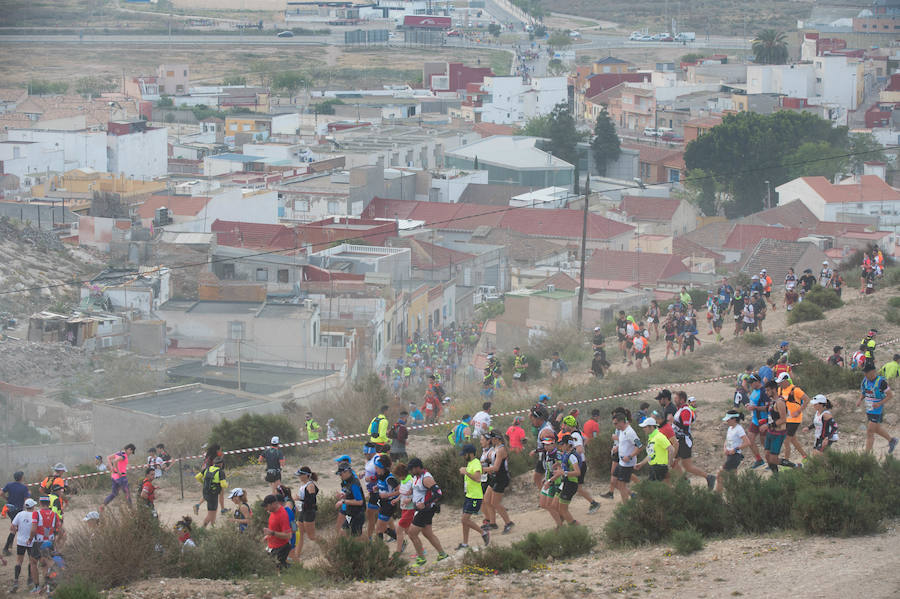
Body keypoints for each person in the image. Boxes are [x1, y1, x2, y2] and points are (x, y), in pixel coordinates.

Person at [671, 391, 717, 489]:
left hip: (684, 440)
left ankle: (708, 477)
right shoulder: (680, 409)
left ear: (682, 400)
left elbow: (685, 427)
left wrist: (673, 421)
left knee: (687, 466)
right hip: (679, 440)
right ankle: (684, 481)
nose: (674, 400)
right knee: (674, 463)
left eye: (676, 398)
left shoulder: (686, 411)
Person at [407, 458, 448, 566]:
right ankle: (442, 554)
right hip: (422, 509)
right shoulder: (416, 477)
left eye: (411, 469)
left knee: (412, 533)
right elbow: (419, 493)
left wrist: (425, 504)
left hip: (425, 510)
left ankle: (421, 559)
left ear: (417, 468)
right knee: (427, 533)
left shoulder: (426, 478)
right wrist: (411, 499)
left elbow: (438, 493)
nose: (410, 472)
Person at [858, 364, 899, 454]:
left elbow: (890, 395)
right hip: (869, 409)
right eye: (864, 373)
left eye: (867, 373)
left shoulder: (881, 382)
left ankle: (866, 456)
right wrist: (860, 399)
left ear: (873, 372)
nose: (865, 375)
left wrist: (879, 403)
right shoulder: (865, 380)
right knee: (876, 429)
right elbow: (864, 392)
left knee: (870, 431)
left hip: (877, 410)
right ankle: (892, 440)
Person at [457, 444, 490, 550]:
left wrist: (465, 472)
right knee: (464, 521)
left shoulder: (475, 463)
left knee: (464, 520)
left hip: (475, 497)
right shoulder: (470, 463)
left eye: (464, 454)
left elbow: (477, 478)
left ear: (470, 454)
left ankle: (484, 533)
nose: (463, 456)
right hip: (469, 495)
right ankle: (465, 543)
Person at [482, 431, 514, 534]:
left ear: (497, 438)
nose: (491, 440)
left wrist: (483, 469)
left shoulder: (501, 449)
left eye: (492, 438)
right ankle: (492, 523)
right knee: (486, 499)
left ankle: (508, 523)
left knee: (495, 503)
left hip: (501, 478)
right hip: (495, 478)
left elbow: (496, 468)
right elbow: (489, 460)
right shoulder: (495, 448)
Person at [28, 496, 60, 594]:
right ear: (49, 503)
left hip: (39, 541)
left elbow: (33, 529)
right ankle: (47, 586)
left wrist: (30, 539)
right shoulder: (55, 515)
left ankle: (37, 586)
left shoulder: (36, 513)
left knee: (33, 562)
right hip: (50, 542)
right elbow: (59, 530)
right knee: (45, 564)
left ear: (40, 503)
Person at [777, 371, 809, 467]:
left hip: (795, 420)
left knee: (786, 440)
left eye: (781, 382)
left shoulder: (795, 390)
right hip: (785, 419)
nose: (779, 384)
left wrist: (799, 411)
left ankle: (786, 463)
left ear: (786, 381)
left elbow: (807, 399)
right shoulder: (780, 390)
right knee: (793, 440)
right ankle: (805, 456)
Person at [611, 411, 641, 502]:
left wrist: (630, 456)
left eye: (616, 423)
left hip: (627, 464)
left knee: (621, 485)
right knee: (614, 482)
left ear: (621, 422)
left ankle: (626, 506)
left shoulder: (630, 432)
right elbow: (625, 443)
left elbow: (639, 445)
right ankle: (632, 495)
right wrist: (618, 447)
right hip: (621, 462)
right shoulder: (622, 431)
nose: (615, 426)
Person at [715, 411, 749, 492]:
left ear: (734, 419)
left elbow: (747, 442)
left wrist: (735, 449)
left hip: (735, 456)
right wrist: (725, 448)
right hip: (729, 456)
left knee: (720, 475)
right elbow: (726, 440)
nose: (726, 421)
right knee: (733, 477)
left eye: (728, 419)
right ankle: (736, 495)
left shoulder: (739, 429)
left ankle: (717, 496)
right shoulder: (730, 428)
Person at [10, 497, 38, 593]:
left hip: (21, 541)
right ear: (33, 506)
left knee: (19, 561)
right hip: (32, 541)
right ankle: (30, 580)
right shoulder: (35, 515)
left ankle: (16, 581)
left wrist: (17, 530)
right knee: (32, 561)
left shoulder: (20, 514)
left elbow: (12, 526)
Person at [552, 435, 581, 525]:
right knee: (555, 505)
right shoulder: (566, 453)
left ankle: (576, 528)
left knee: (563, 509)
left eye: (563, 444)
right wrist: (558, 464)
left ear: (568, 445)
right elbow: (565, 464)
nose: (561, 446)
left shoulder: (572, 456)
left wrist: (563, 473)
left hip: (570, 484)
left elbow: (577, 472)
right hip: (565, 482)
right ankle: (561, 524)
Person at [635, 416, 673, 484]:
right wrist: (641, 464)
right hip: (653, 468)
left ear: (651, 427)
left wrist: (669, 465)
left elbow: (671, 449)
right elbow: (650, 454)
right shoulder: (651, 438)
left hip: (660, 468)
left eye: (645, 427)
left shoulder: (659, 436)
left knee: (650, 490)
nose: (643, 429)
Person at [529, 405, 557, 490]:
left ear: (538, 419)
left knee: (546, 481)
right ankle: (543, 496)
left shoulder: (545, 431)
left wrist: (536, 451)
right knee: (537, 478)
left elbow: (550, 446)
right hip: (544, 457)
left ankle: (545, 498)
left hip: (548, 458)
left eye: (533, 419)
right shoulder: (543, 427)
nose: (532, 422)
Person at [372, 456, 399, 543]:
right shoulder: (381, 476)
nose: (375, 469)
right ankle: (399, 540)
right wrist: (377, 487)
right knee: (381, 528)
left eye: (377, 467)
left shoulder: (390, 478)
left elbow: (400, 491)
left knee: (379, 529)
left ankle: (379, 549)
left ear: (382, 468)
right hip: (383, 504)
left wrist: (388, 495)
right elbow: (383, 486)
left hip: (389, 504)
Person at [763, 380, 788, 475]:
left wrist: (769, 425)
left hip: (778, 433)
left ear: (774, 389)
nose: (766, 392)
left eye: (768, 390)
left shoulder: (780, 402)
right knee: (767, 455)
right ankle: (776, 476)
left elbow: (783, 419)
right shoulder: (772, 402)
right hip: (770, 432)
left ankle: (794, 466)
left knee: (773, 459)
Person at [2, 471, 29, 557]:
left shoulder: (9, 485)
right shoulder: (24, 487)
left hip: (9, 509)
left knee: (15, 527)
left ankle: (9, 545)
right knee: (15, 528)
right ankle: (6, 548)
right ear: (21, 478)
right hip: (18, 510)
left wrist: (6, 498)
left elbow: (1, 493)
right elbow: (26, 500)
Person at [744, 374, 767, 468]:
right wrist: (749, 405)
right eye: (750, 383)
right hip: (755, 420)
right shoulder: (754, 391)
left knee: (764, 443)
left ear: (758, 382)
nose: (751, 385)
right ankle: (759, 459)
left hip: (763, 420)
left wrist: (755, 407)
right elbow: (753, 402)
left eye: (752, 383)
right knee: (749, 440)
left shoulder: (764, 392)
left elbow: (767, 407)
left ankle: (771, 461)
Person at [262, 495, 292, 569]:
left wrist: (272, 533)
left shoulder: (283, 514)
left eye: (267, 506)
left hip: (282, 546)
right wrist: (269, 536)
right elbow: (275, 528)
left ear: (274, 504)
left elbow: (289, 534)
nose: (265, 508)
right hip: (273, 546)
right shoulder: (273, 511)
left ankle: (295, 569)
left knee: (276, 567)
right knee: (264, 564)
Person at [335, 463, 365, 536]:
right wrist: (344, 495)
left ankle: (370, 546)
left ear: (347, 472)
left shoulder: (354, 484)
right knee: (344, 532)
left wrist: (343, 501)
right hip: (350, 513)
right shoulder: (346, 482)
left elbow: (360, 502)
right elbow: (350, 494)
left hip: (357, 514)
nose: (340, 476)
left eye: (341, 474)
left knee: (356, 538)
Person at [103, 444, 135, 509]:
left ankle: (103, 505)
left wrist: (112, 467)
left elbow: (108, 457)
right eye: (131, 452)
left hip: (114, 476)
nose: (131, 453)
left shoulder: (118, 453)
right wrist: (118, 471)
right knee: (127, 493)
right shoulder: (124, 455)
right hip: (121, 477)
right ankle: (131, 509)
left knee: (114, 494)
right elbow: (115, 461)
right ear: (129, 449)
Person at [293, 467, 318, 554]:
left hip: (309, 512)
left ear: (306, 475)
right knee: (299, 534)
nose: (299, 477)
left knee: (311, 536)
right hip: (303, 512)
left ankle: (328, 545)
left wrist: (299, 499)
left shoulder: (310, 485)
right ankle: (297, 555)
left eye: (300, 475)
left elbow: (312, 501)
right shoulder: (304, 485)